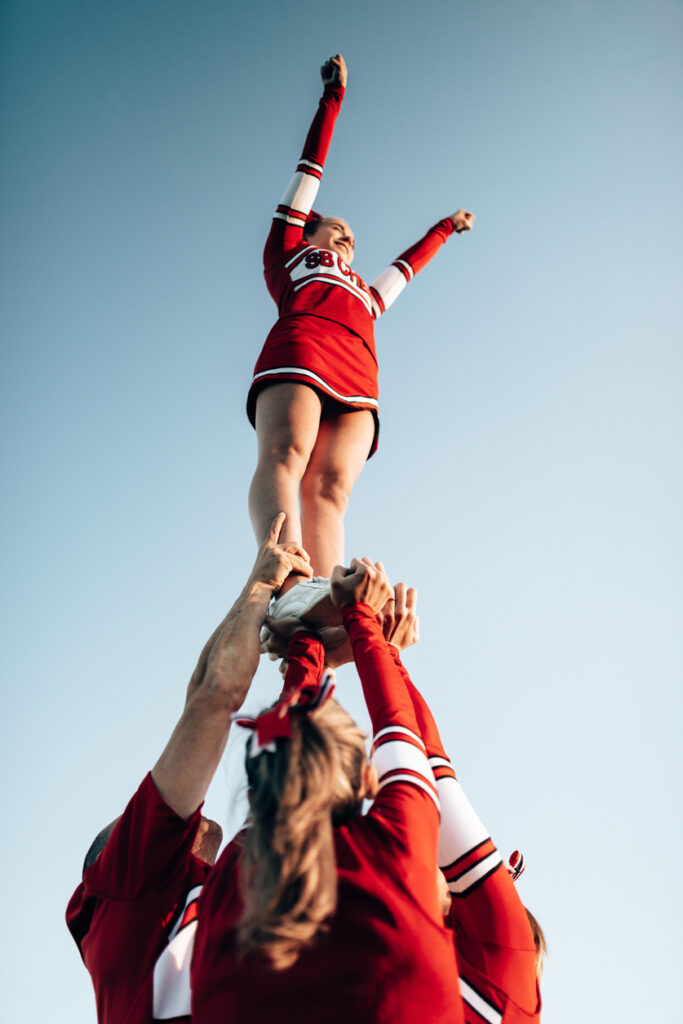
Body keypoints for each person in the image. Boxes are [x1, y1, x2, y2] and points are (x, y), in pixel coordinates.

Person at [248, 52, 475, 624]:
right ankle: (288, 577)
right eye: (337, 230)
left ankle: (328, 597)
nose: (348, 238)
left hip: (358, 370)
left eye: (352, 237)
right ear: (309, 228)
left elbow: (407, 266)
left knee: (330, 489)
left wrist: (446, 227)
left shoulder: (364, 291)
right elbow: (309, 170)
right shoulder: (290, 253)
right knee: (286, 456)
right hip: (302, 346)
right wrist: (333, 99)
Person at [191, 558, 464, 1024]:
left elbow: (398, 732)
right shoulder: (394, 847)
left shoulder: (234, 878)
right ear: (366, 779)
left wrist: (362, 620)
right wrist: (315, 640)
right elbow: (394, 724)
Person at [66, 515, 311, 1023]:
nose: (175, 810)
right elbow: (209, 703)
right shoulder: (150, 900)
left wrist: (262, 585)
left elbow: (206, 700)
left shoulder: (139, 887)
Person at [383, 581, 545, 1022]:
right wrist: (385, 654)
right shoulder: (499, 952)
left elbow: (431, 774)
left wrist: (383, 648)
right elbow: (433, 778)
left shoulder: (494, 956)